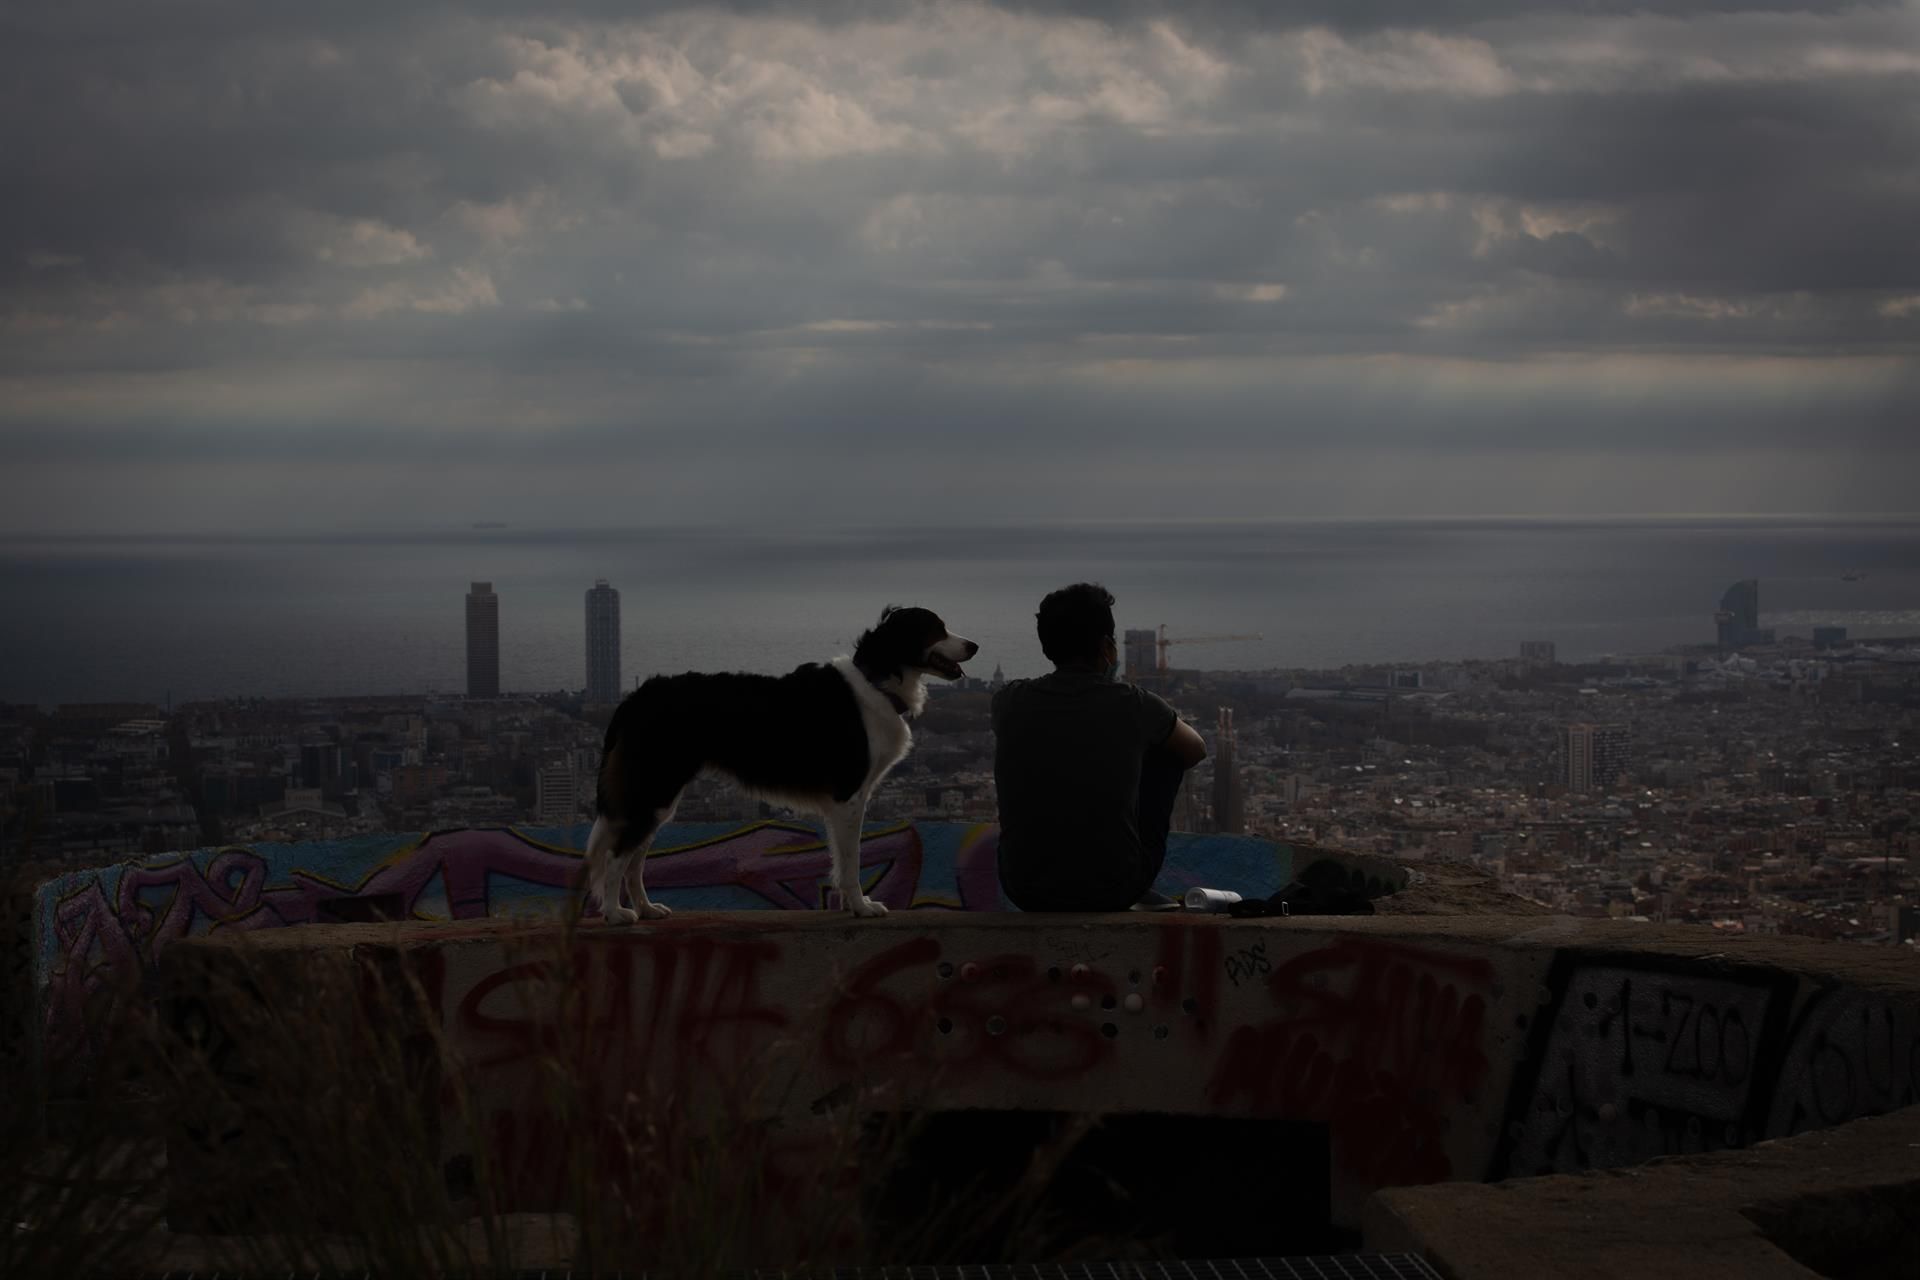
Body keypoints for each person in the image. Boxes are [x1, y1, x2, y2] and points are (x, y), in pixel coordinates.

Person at [992, 582, 1207, 911]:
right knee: (1168, 754)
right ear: (1108, 647)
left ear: (1047, 647)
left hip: (1023, 886)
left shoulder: (1008, 701)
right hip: (1114, 888)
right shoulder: (1134, 704)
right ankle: (1126, 856)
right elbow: (1195, 750)